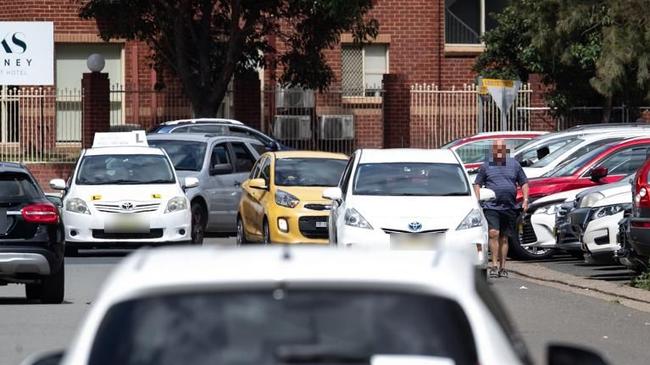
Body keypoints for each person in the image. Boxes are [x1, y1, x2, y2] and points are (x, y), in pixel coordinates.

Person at [473, 139, 529, 278]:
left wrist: (526, 200)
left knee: (504, 237)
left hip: (509, 206)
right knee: (493, 233)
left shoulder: (514, 164)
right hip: (492, 206)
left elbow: (524, 182)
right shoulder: (486, 165)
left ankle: (503, 267)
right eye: (496, 149)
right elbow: (477, 184)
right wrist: (478, 200)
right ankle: (494, 265)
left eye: (501, 148)